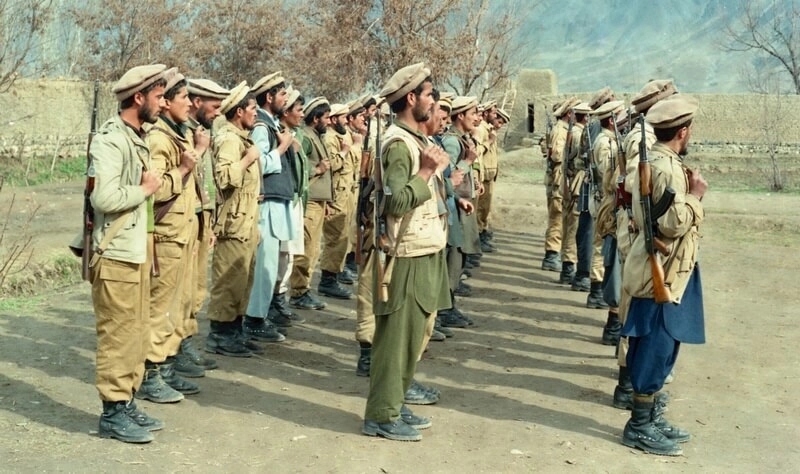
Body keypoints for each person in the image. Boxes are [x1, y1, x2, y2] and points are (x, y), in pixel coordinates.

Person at [362, 63, 452, 442]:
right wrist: (427, 172)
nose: (434, 102)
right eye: (429, 95)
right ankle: (381, 415)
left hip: (424, 248)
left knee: (414, 335)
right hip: (405, 255)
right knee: (396, 339)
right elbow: (395, 202)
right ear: (411, 98)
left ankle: (395, 403)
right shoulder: (399, 145)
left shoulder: (414, 140)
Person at [620, 95, 706, 456]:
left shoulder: (656, 161)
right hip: (661, 269)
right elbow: (671, 224)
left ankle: (650, 416)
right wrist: (696, 197)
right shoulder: (666, 168)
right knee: (655, 344)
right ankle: (639, 425)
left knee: (661, 343)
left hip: (667, 266)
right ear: (682, 132)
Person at [89, 64, 165, 443]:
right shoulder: (111, 140)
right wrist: (145, 190)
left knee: (136, 332)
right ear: (139, 97)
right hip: (115, 254)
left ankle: (127, 400)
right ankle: (112, 411)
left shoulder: (136, 137)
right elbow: (102, 198)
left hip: (133, 253)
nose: (163, 103)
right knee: (118, 335)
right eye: (159, 96)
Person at [138, 68, 201, 403]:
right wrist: (185, 168)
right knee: (159, 307)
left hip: (181, 233)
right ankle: (149, 375)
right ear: (165, 104)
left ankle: (165, 366)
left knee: (174, 308)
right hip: (165, 236)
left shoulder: (178, 135)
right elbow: (156, 189)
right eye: (184, 98)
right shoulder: (159, 139)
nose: (190, 104)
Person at [204, 82, 263, 357]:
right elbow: (225, 177)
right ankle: (221, 335)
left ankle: (235, 331)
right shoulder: (229, 139)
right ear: (239, 111)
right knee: (228, 280)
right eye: (252, 108)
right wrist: (248, 160)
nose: (256, 113)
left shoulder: (242, 138)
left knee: (242, 280)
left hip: (246, 223)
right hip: (232, 224)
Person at [178, 77, 229, 374]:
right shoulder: (183, 133)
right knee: (183, 289)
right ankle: (175, 348)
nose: (218, 112)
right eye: (215, 106)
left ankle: (185, 342)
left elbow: (208, 181)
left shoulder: (200, 132)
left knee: (196, 288)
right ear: (197, 102)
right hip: (184, 219)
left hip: (201, 216)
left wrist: (211, 223)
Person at [241, 71, 293, 344]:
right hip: (267, 205)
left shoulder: (271, 125)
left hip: (277, 203)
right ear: (269, 97)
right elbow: (257, 163)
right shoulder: (262, 127)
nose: (286, 98)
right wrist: (281, 149)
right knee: (265, 264)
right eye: (282, 94)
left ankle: (259, 314)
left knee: (272, 264)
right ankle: (254, 319)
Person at [289, 97, 333, 310]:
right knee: (306, 249)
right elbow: (297, 167)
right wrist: (317, 170)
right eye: (326, 117)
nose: (330, 121)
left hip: (319, 202)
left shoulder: (316, 136)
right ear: (316, 118)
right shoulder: (306, 137)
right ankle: (298, 292)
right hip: (310, 203)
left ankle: (303, 289)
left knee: (313, 249)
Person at [542, 96, 579, 271]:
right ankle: (551, 254)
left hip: (561, 178)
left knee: (562, 218)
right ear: (569, 113)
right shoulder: (560, 130)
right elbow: (556, 155)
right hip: (557, 179)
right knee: (556, 218)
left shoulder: (565, 129)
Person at [560, 101, 591, 284]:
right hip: (577, 183)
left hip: (571, 182)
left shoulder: (575, 133)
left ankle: (567, 265)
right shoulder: (580, 135)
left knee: (569, 225)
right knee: (574, 227)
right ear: (585, 117)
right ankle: (570, 266)